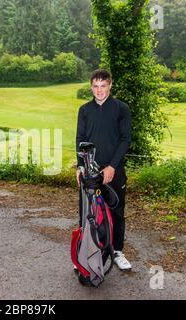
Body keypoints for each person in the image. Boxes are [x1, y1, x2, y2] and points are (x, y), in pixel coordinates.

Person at [75, 69, 132, 271]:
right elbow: (80, 140)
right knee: (87, 212)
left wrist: (112, 166)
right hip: (90, 172)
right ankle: (88, 252)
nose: (99, 91)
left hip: (114, 170)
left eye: (103, 86)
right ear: (91, 87)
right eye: (96, 86)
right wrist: (80, 166)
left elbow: (125, 140)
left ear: (110, 85)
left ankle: (117, 251)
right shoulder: (84, 110)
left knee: (116, 211)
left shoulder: (121, 108)